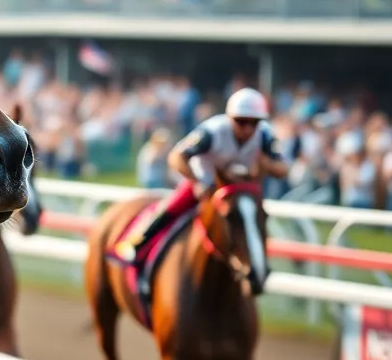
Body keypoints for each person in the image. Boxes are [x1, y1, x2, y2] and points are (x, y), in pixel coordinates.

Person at [114, 87, 289, 263]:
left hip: (239, 185)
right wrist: (197, 181)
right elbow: (176, 157)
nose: (248, 129)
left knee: (254, 216)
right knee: (175, 205)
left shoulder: (265, 134)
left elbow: (283, 169)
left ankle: (258, 262)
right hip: (207, 181)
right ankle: (139, 241)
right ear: (229, 118)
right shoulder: (212, 131)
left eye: (254, 123)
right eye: (242, 122)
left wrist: (266, 164)